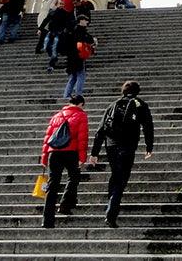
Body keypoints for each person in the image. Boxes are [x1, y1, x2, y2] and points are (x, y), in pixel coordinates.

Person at [90, 80, 154, 227]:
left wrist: (95, 152)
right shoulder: (140, 105)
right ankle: (111, 213)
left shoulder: (113, 104)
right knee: (121, 178)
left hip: (111, 145)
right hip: (128, 145)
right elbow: (148, 127)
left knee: (115, 173)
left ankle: (111, 201)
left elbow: (101, 130)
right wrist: (149, 146)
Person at [40, 94, 89, 228]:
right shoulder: (81, 116)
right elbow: (82, 138)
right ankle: (65, 204)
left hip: (53, 153)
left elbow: (48, 137)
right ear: (80, 104)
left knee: (52, 185)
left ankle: (47, 220)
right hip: (71, 151)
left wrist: (44, 157)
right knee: (73, 177)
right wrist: (82, 158)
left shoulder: (56, 116)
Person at [62, 15, 96, 99]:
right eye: (85, 21)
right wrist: (93, 42)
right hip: (78, 55)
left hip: (71, 56)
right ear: (81, 21)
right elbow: (86, 39)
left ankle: (66, 94)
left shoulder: (72, 30)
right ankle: (79, 94)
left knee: (73, 76)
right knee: (81, 75)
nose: (87, 22)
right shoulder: (80, 30)